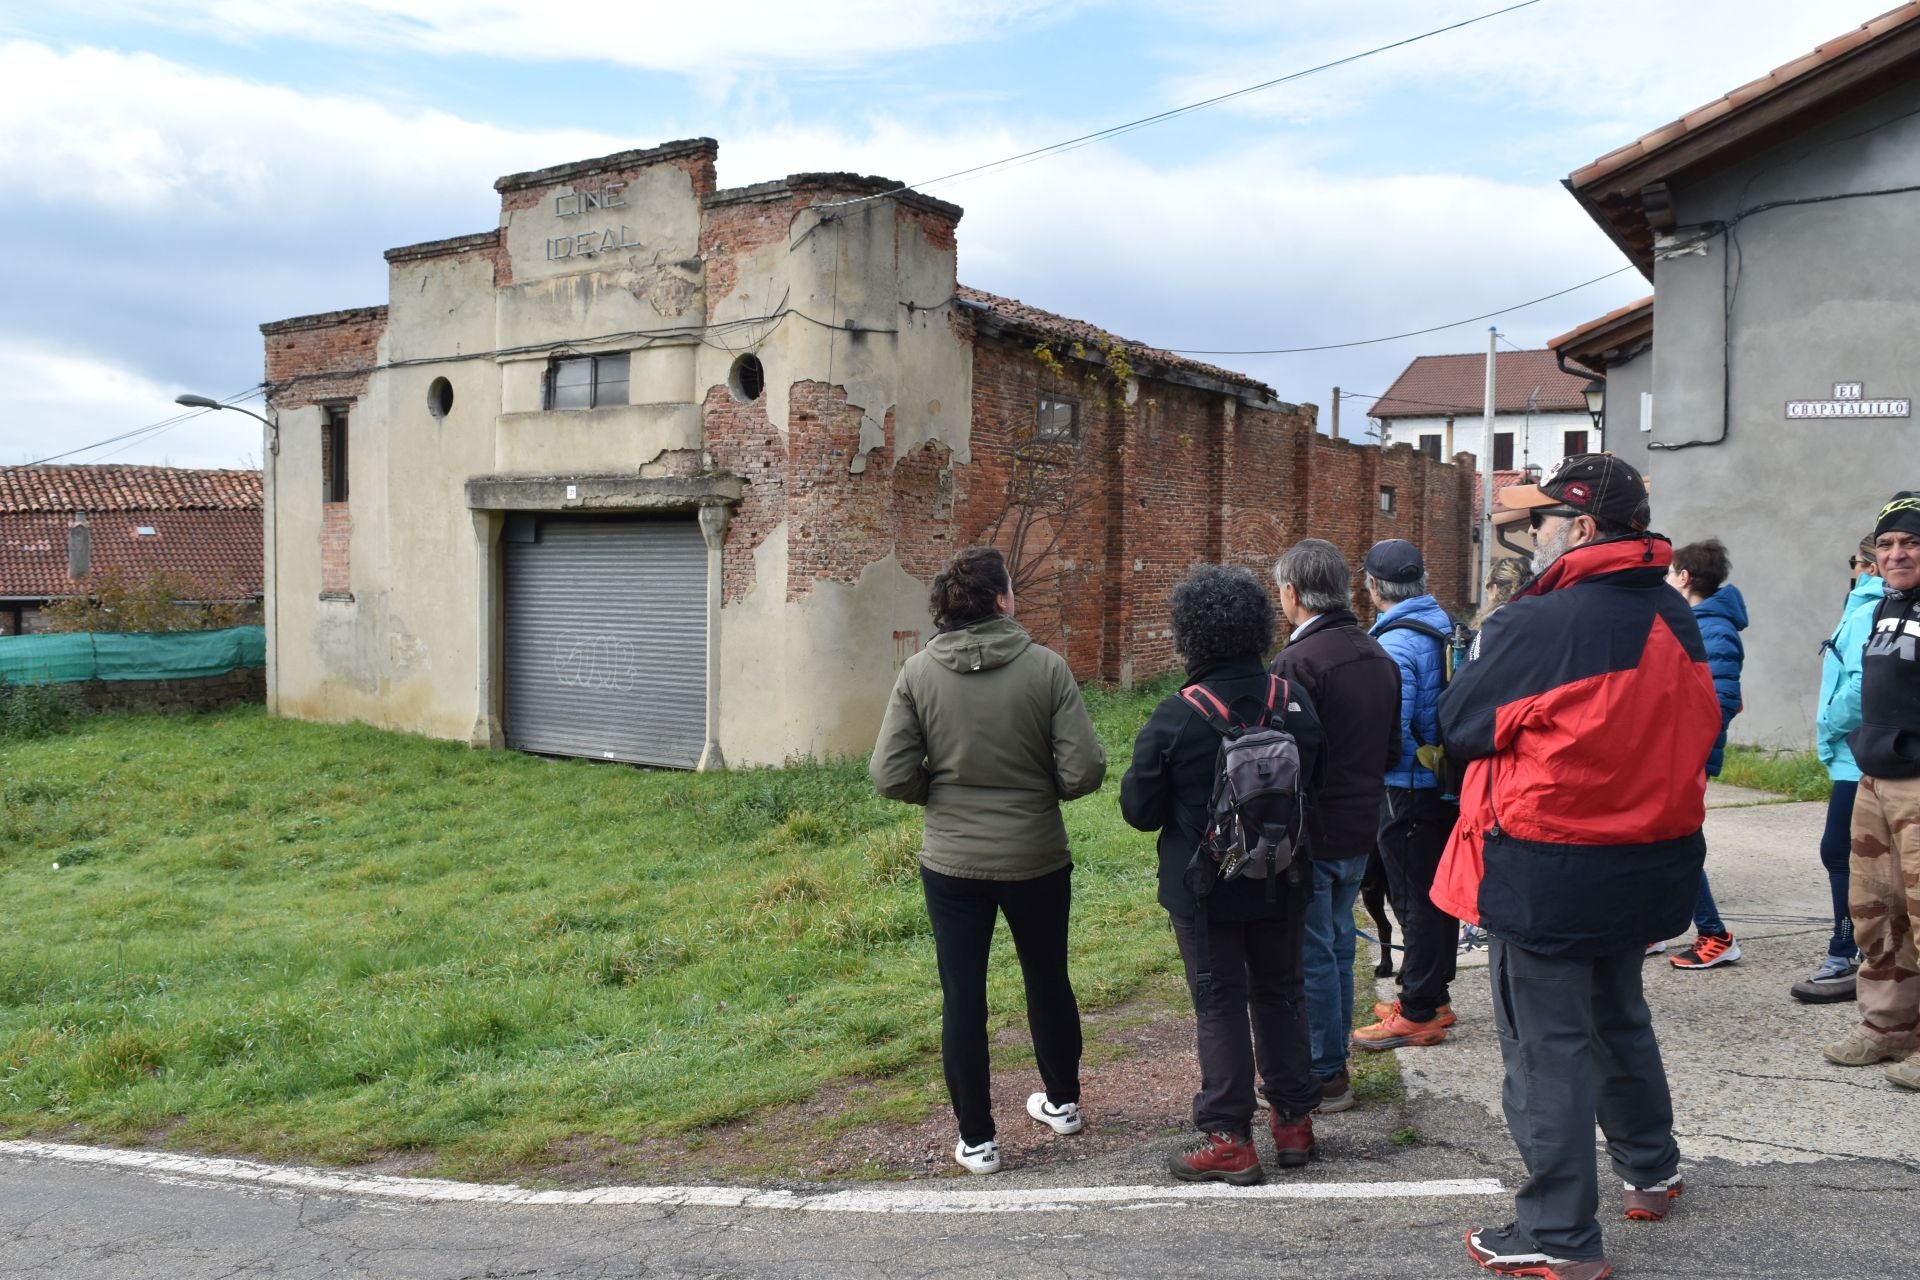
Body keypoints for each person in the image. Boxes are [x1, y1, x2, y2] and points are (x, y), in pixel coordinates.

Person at [1431, 454, 1722, 1280]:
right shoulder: (1674, 611)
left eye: (1544, 521)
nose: (1533, 537)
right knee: (1619, 1014)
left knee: (1545, 1047)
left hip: (1550, 864)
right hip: (1648, 857)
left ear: (1583, 529)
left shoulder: (1543, 621)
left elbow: (1459, 722)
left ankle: (1559, 1234)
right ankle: (1652, 1167)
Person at [869, 547, 1108, 1174]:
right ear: (1002, 599)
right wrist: (1038, 792)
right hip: (1036, 855)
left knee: (963, 997)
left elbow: (889, 775)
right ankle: (1062, 1103)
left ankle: (977, 1140)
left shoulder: (918, 674)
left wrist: (940, 793)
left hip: (951, 863)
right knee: (1048, 979)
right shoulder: (1047, 669)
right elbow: (1083, 771)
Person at [1121, 564, 1325, 1183]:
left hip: (1205, 889)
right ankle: (1293, 1122)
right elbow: (1312, 779)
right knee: (1282, 992)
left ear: (1189, 636)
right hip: (1282, 878)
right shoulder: (1291, 701)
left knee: (1219, 1005)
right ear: (1259, 629)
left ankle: (1228, 1135)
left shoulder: (1176, 716)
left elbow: (1138, 811)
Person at [1270, 538, 1400, 1113]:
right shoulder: (1377, 654)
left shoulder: (1298, 662)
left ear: (1292, 594)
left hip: (1314, 827)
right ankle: (1334, 1062)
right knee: (1340, 941)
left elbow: (1282, 760)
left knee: (1315, 949)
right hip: (1362, 821)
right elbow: (1392, 748)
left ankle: (1326, 1072)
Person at [1826, 492, 1920, 1091]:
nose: (1896, 553)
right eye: (1885, 544)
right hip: (1876, 778)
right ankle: (1888, 1027)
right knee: (1877, 911)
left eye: (1910, 542)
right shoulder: (1886, 605)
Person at [1352, 539, 1460, 1051]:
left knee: (1414, 900)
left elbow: (1388, 728)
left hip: (1407, 788)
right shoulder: (1444, 625)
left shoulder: (1395, 643)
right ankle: (1432, 995)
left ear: (1373, 586)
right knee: (1437, 894)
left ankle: (1418, 1009)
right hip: (1443, 783)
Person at [1795, 534, 1883, 1002]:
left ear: (1863, 564)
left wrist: (1830, 722)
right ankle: (1852, 949)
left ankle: (1847, 950)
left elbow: (1860, 681)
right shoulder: (1862, 604)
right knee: (1850, 854)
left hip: (1857, 748)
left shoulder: (1870, 607)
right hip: (1854, 749)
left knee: (1841, 852)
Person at [1664, 538, 1747, 971]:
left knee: (1677, 843)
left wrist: (1687, 753)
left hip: (1688, 757)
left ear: (1685, 577)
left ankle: (1715, 935)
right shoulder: (1690, 621)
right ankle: (1653, 930)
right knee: (1654, 839)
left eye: (1670, 572)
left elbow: (1722, 700)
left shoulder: (1713, 627)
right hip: (1672, 753)